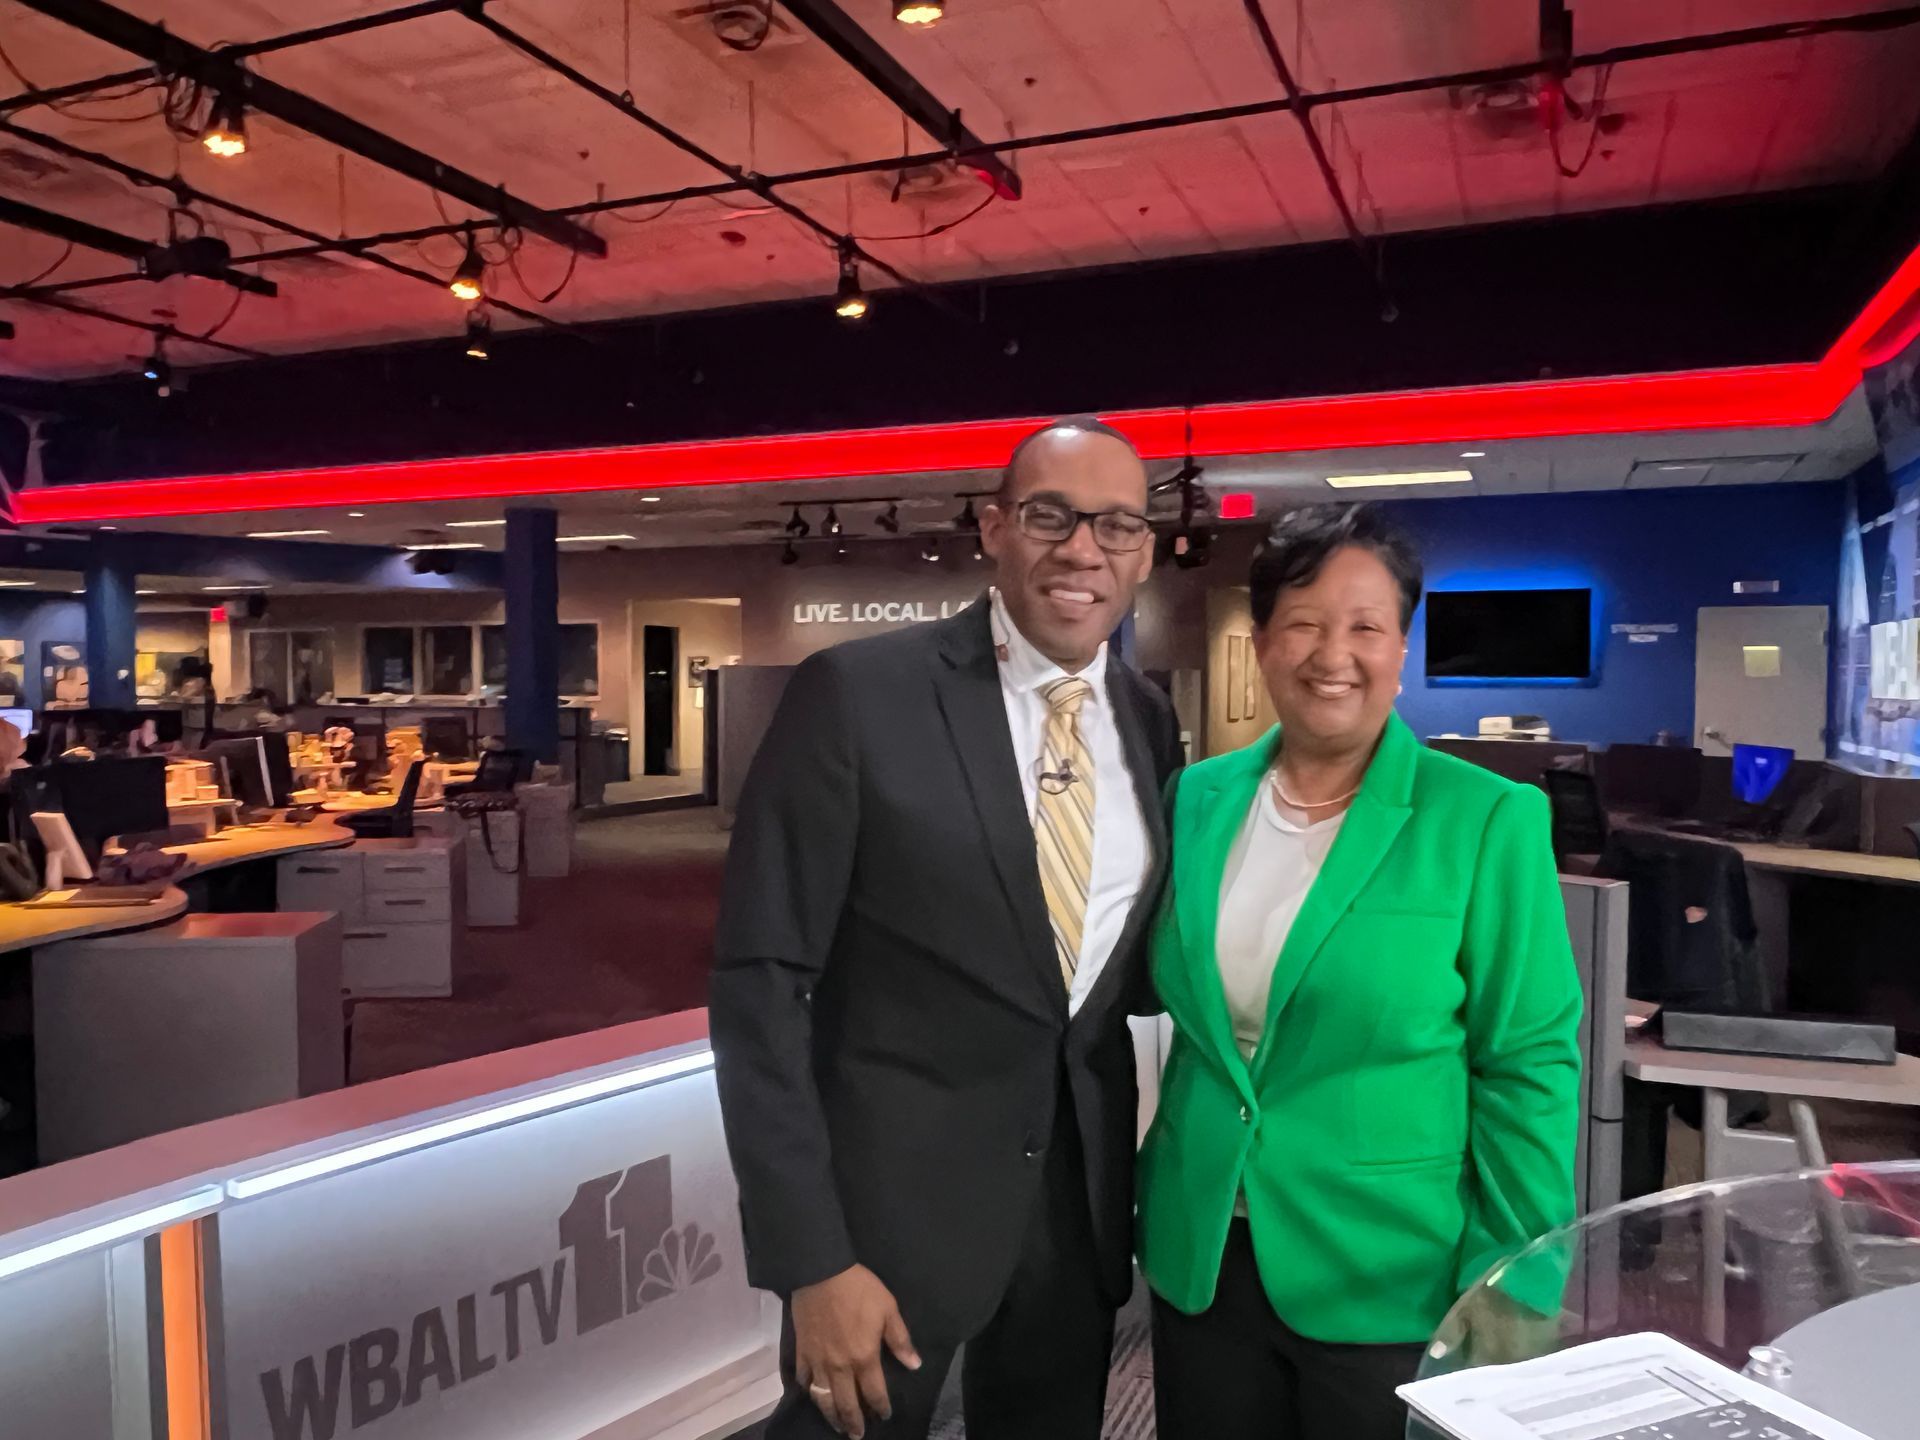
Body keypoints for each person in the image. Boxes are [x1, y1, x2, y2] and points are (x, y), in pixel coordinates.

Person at [711, 417, 1184, 1440]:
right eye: (1051, 516)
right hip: (882, 1233)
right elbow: (761, 982)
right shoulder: (857, 695)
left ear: (1144, 551)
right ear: (995, 527)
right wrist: (812, 1258)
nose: (1082, 549)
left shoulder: (1148, 722)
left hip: (1075, 1217)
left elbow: (1107, 973)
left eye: (1116, 526)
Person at [1137, 503, 1583, 1440]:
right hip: (1204, 1249)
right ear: (1261, 644)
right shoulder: (1199, 798)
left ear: (1402, 649)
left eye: (1365, 627)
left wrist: (1518, 1273)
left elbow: (1529, 1063)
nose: (1331, 653)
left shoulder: (1486, 818)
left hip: (1392, 1267)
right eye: (1302, 623)